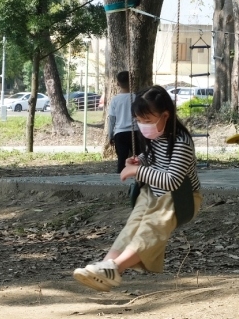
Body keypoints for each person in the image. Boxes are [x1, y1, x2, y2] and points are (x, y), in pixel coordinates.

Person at [73, 85, 202, 292]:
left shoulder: (181, 142)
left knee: (150, 229)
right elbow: (153, 158)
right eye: (139, 121)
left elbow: (172, 180)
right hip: (152, 192)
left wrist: (136, 172)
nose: (143, 126)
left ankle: (115, 268)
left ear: (165, 115)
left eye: (148, 121)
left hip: (179, 198)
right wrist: (139, 160)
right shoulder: (155, 137)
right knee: (132, 226)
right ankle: (105, 266)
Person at [106, 70, 139, 172]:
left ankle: (120, 180)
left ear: (117, 83)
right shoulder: (136, 98)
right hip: (135, 132)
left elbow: (112, 119)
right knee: (138, 158)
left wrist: (110, 135)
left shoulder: (115, 100)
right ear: (131, 82)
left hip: (120, 133)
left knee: (122, 159)